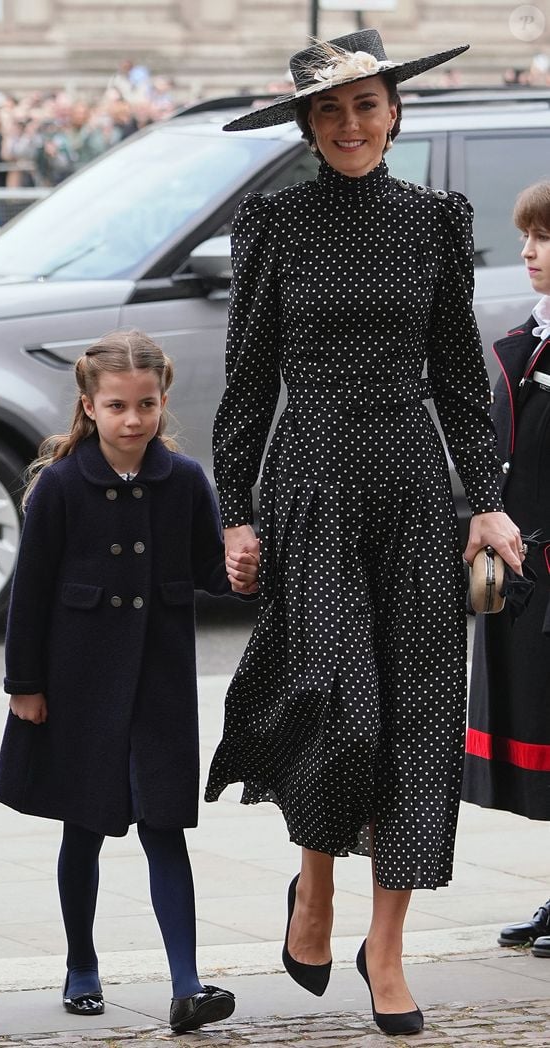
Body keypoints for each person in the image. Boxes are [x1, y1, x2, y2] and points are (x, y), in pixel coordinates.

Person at [203, 28, 524, 1037]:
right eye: (331, 111)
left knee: (418, 725)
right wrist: (236, 511)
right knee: (334, 707)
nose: (351, 124)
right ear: (307, 124)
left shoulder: (434, 222)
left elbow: (461, 384)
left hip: (413, 490)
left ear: (395, 113)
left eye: (368, 105)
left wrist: (484, 495)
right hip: (309, 487)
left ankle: (385, 948)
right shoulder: (276, 224)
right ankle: (314, 887)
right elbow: (249, 381)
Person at [0, 330, 257, 1033]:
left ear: (162, 401)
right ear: (90, 405)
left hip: (161, 684)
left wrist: (237, 576)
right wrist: (25, 683)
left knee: (164, 828)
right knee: (83, 828)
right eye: (117, 406)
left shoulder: (185, 479)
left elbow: (204, 570)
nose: (133, 419)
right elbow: (31, 589)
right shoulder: (61, 484)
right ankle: (81, 963)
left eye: (145, 404)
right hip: (78, 684)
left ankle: (187, 985)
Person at [462, 181, 550, 956]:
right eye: (526, 236)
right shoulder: (527, 338)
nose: (528, 251)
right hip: (523, 576)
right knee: (538, 729)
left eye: (545, 238)